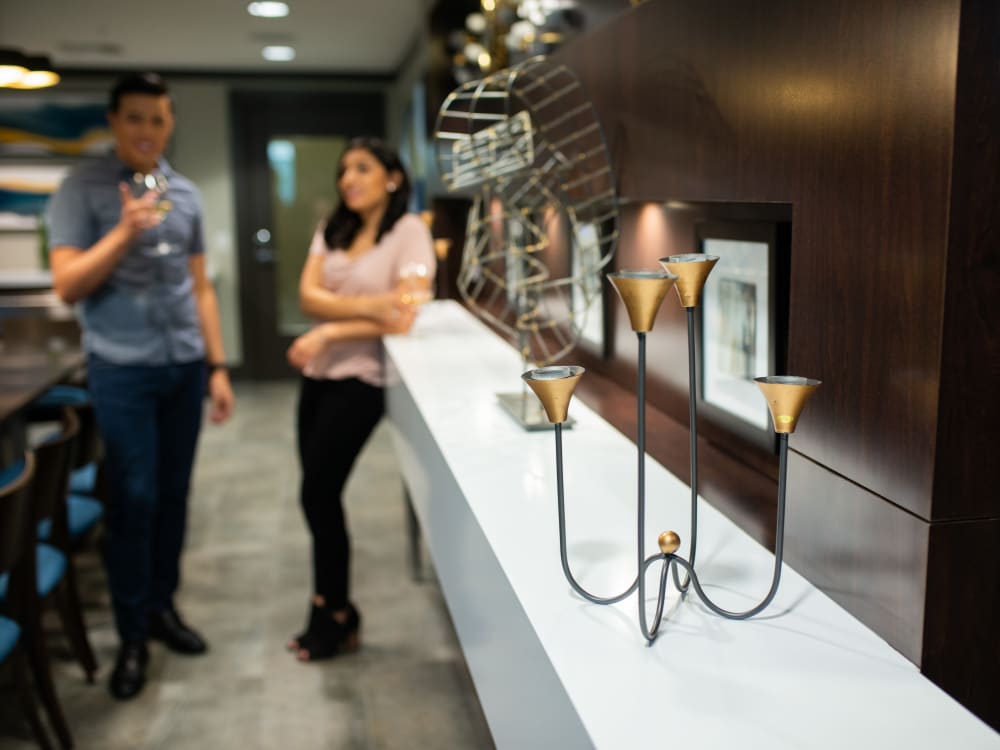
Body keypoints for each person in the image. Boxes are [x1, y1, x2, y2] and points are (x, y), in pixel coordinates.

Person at [46, 72, 234, 700]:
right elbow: (68, 285)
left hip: (182, 365)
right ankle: (130, 634)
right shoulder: (83, 189)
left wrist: (217, 366)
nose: (146, 131)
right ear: (114, 121)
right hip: (120, 368)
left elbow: (200, 286)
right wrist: (124, 229)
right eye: (134, 119)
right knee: (133, 498)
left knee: (174, 497)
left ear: (170, 123)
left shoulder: (186, 194)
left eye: (157, 119)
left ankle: (160, 608)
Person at [285, 136, 434, 661]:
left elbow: (406, 315)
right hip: (317, 376)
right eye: (344, 169)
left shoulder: (409, 231)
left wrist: (328, 331)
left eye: (362, 168)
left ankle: (334, 610)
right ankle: (333, 609)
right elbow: (306, 296)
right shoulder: (334, 228)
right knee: (317, 496)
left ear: (392, 177)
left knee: (318, 495)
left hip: (363, 379)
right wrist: (376, 305)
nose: (348, 178)